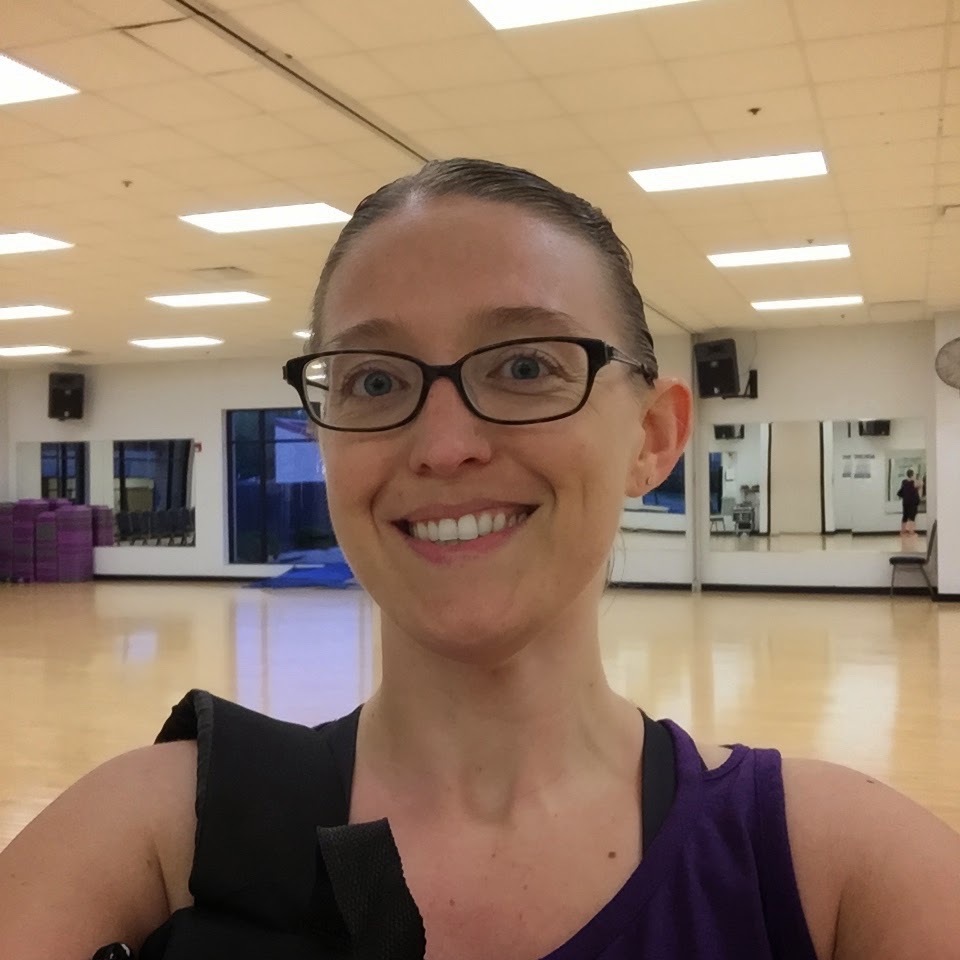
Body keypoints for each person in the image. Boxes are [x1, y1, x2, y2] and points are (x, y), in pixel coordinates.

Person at [1, 159, 959, 959]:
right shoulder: (150, 845)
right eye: (376, 381)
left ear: (653, 437)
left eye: (525, 366)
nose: (445, 444)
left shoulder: (845, 876)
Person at [897, 468, 922, 536]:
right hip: (912, 502)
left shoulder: (904, 482)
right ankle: (911, 532)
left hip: (905, 502)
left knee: (905, 516)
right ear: (913, 475)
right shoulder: (915, 482)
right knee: (912, 517)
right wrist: (917, 478)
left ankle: (903, 531)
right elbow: (920, 485)